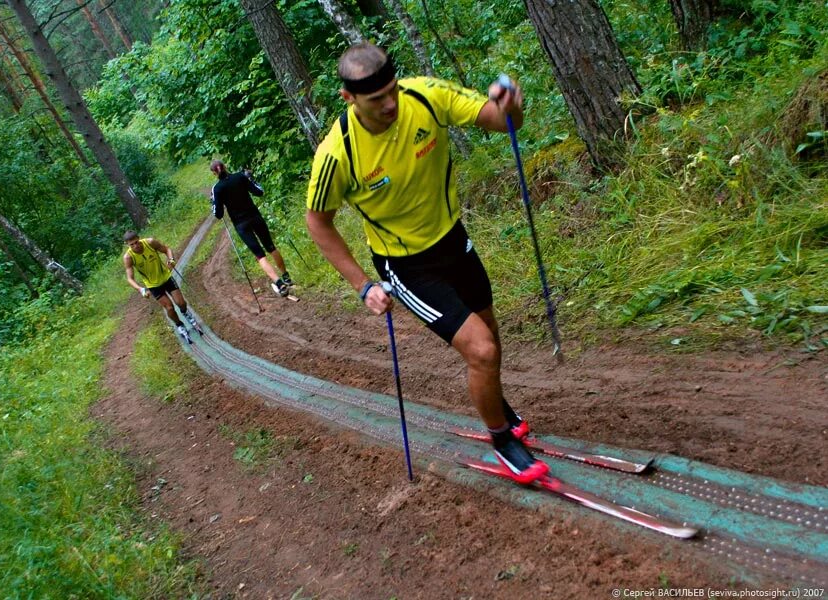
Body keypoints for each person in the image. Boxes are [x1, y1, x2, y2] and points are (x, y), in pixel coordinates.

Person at [305, 43, 548, 484]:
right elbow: (318, 223)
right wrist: (363, 285)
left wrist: (512, 104)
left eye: (392, 91)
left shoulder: (424, 96)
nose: (391, 105)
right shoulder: (337, 153)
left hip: (453, 241)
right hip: (406, 265)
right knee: (482, 349)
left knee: (491, 336)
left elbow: (501, 122)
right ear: (349, 99)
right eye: (376, 100)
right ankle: (503, 441)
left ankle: (500, 407)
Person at [210, 160, 293, 297]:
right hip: (255, 217)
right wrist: (251, 178)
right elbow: (259, 192)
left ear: (214, 173)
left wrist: (213, 202)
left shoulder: (217, 189)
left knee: (260, 255)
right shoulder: (240, 176)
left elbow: (218, 214)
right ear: (225, 166)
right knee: (271, 246)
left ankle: (280, 284)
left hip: (241, 225)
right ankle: (286, 277)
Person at [123, 230, 197, 339]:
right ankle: (179, 325)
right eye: (132, 244)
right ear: (127, 245)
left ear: (139, 238)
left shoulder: (150, 242)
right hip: (153, 285)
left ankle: (185, 313)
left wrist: (171, 259)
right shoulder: (128, 257)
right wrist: (141, 289)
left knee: (181, 303)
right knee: (170, 308)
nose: (136, 246)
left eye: (137, 242)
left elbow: (166, 249)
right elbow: (130, 279)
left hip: (166, 278)